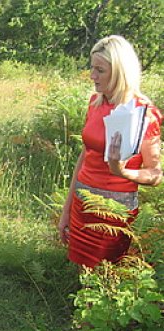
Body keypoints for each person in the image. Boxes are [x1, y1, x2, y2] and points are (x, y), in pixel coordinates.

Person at [58, 35, 162, 268]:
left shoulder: (143, 114)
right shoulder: (96, 102)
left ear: (119, 72)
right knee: (82, 274)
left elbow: (155, 174)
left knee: (105, 276)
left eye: (100, 70)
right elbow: (84, 158)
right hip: (83, 203)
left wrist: (123, 172)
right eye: (92, 68)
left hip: (114, 212)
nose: (92, 76)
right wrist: (67, 210)